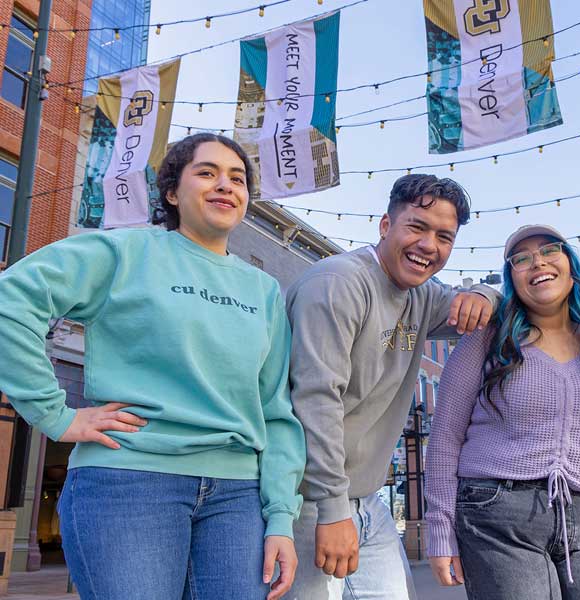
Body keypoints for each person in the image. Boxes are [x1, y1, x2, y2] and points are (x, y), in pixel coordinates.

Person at [0, 133, 305, 600]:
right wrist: (54, 415)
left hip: (238, 496)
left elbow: (275, 411)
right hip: (129, 484)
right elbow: (11, 300)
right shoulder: (124, 253)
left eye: (237, 178)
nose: (225, 185)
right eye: (207, 173)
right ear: (171, 193)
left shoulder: (264, 291)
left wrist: (281, 516)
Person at [285, 174, 500, 600]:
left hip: (366, 503)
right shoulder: (338, 283)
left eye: (444, 237)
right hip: (304, 501)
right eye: (417, 227)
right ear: (386, 226)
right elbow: (314, 399)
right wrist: (330, 509)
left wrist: (484, 294)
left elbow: (494, 303)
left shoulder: (424, 297)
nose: (428, 246)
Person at [424, 224, 580, 600]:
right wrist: (440, 528)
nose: (538, 263)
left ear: (570, 264)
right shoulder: (485, 340)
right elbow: (445, 437)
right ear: (511, 277)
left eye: (550, 250)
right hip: (496, 516)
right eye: (522, 258)